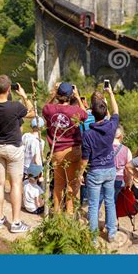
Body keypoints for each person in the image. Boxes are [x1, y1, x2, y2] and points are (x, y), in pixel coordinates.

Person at [0, 75, 35, 233]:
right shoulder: (15, 107)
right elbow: (32, 113)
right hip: (13, 149)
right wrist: (24, 96)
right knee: (16, 184)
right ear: (9, 89)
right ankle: (16, 223)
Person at [81, 83, 119, 242]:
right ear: (105, 113)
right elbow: (116, 111)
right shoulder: (111, 126)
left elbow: (85, 158)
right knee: (110, 202)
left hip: (95, 171)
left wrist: (80, 173)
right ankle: (111, 233)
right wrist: (110, 94)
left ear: (92, 113)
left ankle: (93, 238)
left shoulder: (88, 134)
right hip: (110, 169)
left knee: (93, 205)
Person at [43, 82, 87, 214]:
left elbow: (45, 106)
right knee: (71, 184)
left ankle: (56, 214)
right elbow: (85, 115)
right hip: (73, 150)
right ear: (70, 96)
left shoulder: (49, 110)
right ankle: (69, 214)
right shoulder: (75, 111)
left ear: (58, 95)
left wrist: (53, 95)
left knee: (58, 185)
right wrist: (78, 97)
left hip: (56, 151)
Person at [112, 126, 132, 202]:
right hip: (120, 180)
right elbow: (129, 169)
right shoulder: (127, 150)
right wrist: (128, 183)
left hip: (106, 178)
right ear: (120, 136)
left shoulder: (105, 148)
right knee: (114, 204)